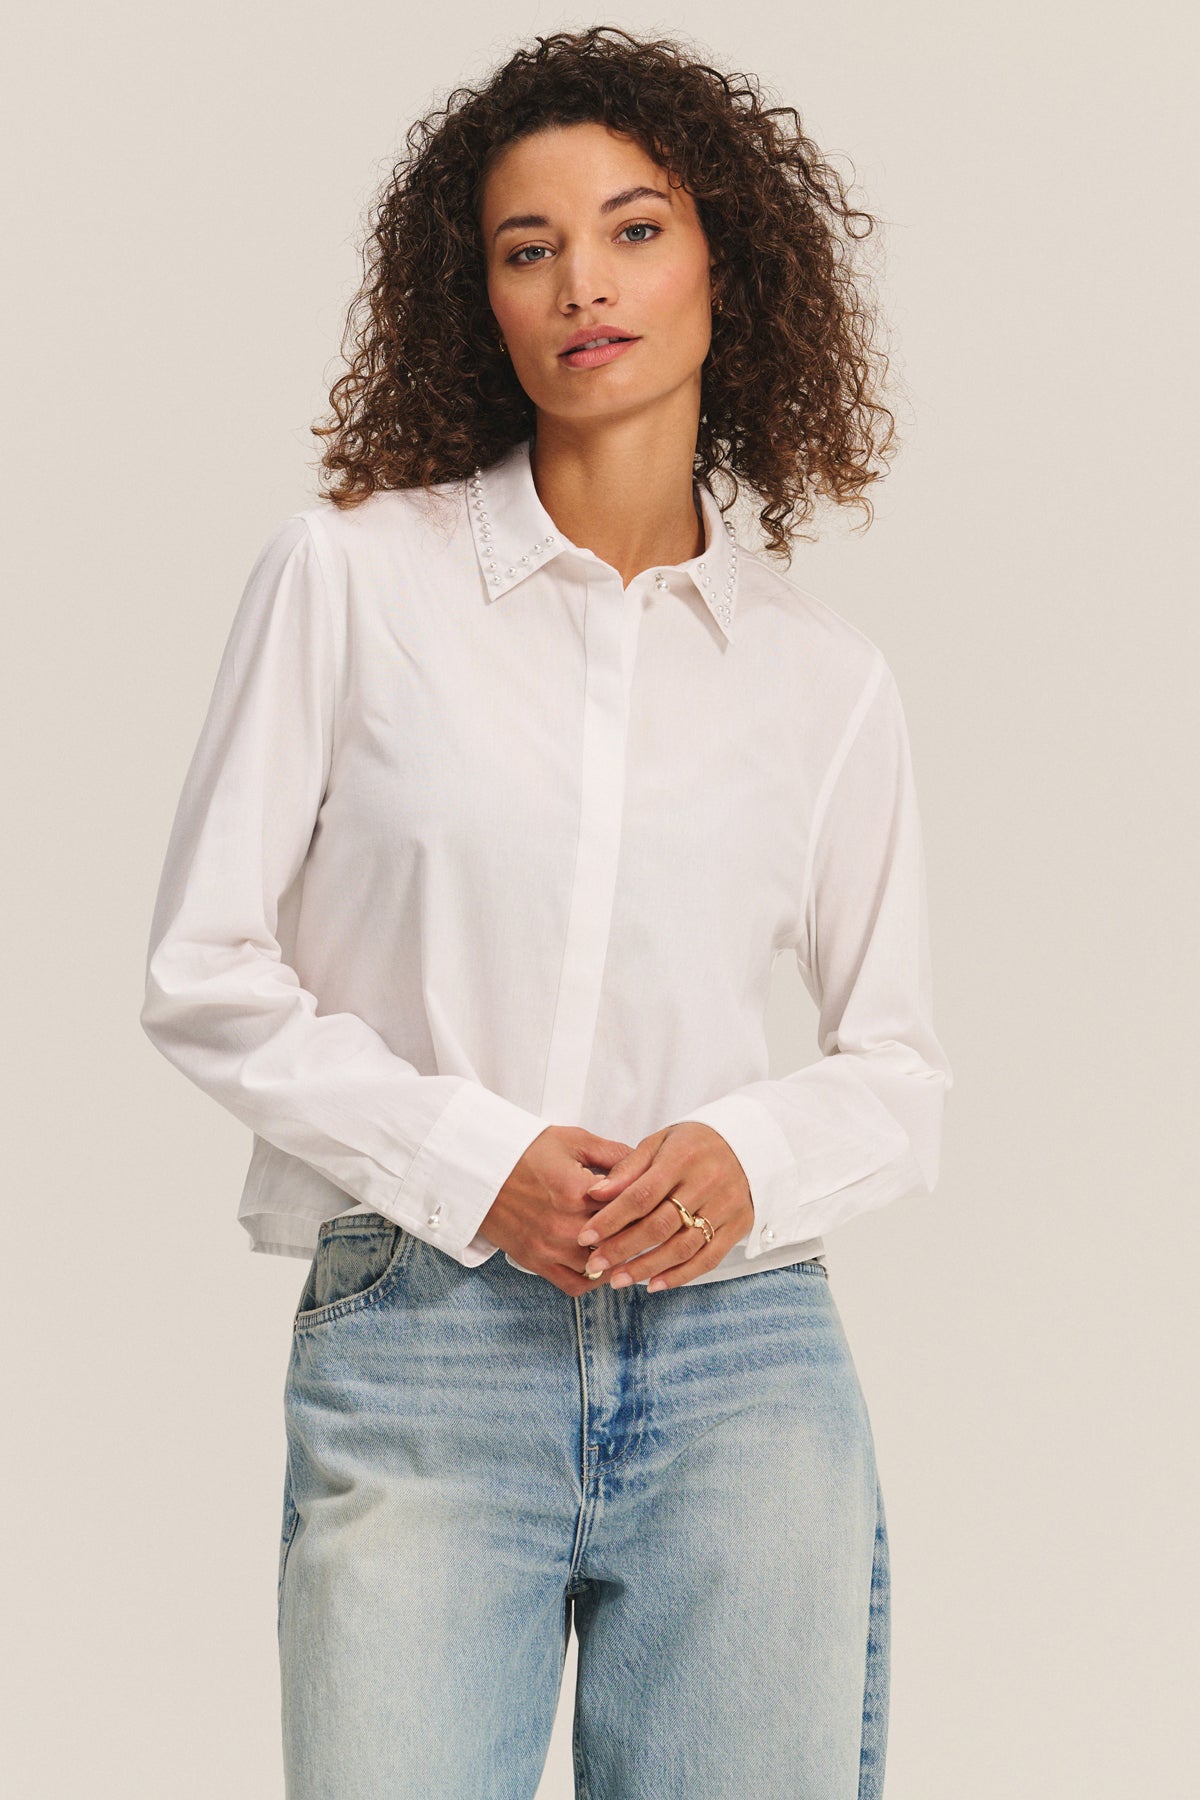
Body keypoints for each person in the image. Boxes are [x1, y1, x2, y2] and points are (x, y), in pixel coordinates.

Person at [140, 24, 952, 1799]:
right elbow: (202, 970)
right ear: (483, 304)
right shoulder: (352, 580)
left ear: (729, 262)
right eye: (530, 249)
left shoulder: (825, 683)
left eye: (636, 229)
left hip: (748, 1366)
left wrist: (746, 1152)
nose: (585, 282)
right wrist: (464, 1156)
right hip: (426, 1338)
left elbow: (897, 1071)